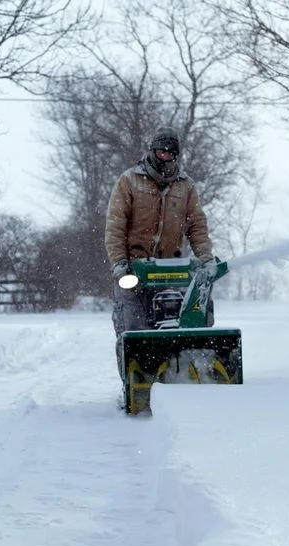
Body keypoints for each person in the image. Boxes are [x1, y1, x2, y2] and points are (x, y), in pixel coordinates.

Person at [104, 126, 216, 368]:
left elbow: (196, 225)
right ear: (152, 150)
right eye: (160, 151)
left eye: (170, 153)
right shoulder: (129, 181)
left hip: (171, 269)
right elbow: (115, 226)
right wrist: (120, 263)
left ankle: (193, 367)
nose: (164, 156)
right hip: (135, 269)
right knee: (132, 327)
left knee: (199, 310)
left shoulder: (185, 186)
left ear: (176, 156)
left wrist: (206, 258)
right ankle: (136, 376)